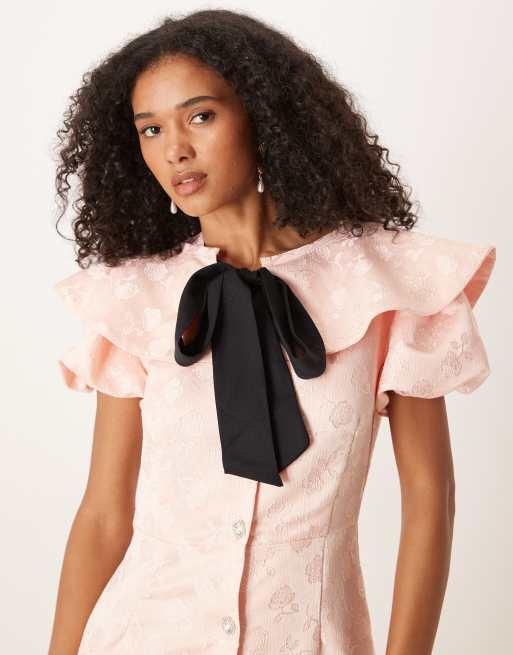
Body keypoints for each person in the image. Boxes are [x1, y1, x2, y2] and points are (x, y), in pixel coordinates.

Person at [47, 9, 496, 655]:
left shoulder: (387, 285)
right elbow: (103, 514)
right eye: (151, 128)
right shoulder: (135, 301)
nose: (175, 149)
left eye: (201, 116)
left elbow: (430, 500)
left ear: (263, 114)